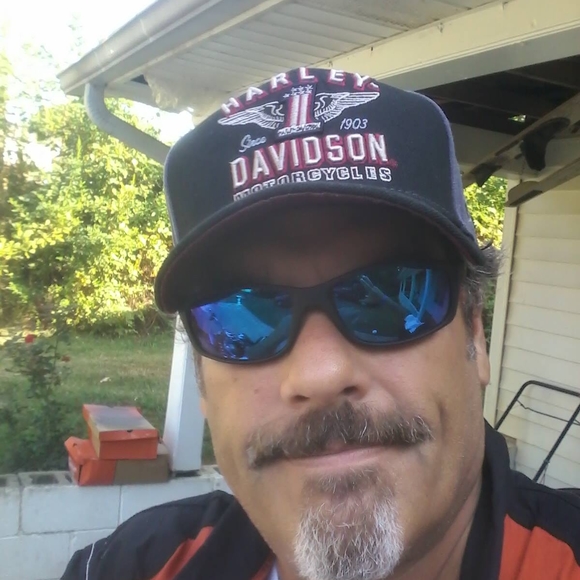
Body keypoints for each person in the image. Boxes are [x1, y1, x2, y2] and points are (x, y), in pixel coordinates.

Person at [62, 67, 580, 580]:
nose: (320, 374)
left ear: (476, 335)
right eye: (244, 313)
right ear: (202, 378)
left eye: (392, 292)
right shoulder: (127, 568)